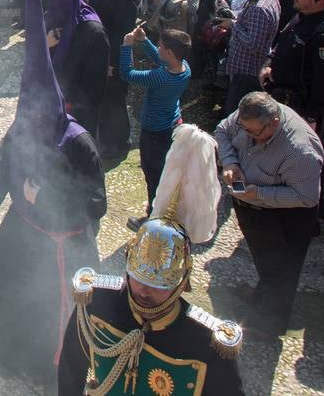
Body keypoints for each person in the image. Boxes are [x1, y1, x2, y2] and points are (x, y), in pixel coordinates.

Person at [0, 0, 105, 387]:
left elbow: (96, 203)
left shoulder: (78, 143)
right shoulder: (22, 127)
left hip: (60, 244)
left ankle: (49, 370)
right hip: (21, 230)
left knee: (50, 312)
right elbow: (6, 162)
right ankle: (12, 356)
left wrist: (47, 197)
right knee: (9, 298)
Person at [59, 124, 243, 395]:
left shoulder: (207, 343)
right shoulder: (95, 302)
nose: (145, 291)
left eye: (159, 283)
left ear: (182, 281)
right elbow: (71, 367)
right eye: (139, 278)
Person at [215, 92, 324, 333]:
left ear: (274, 122)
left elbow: (307, 197)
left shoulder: (300, 151)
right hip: (255, 213)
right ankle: (263, 295)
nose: (247, 137)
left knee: (281, 273)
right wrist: (231, 162)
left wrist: (259, 194)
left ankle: (268, 325)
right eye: (245, 130)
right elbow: (223, 130)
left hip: (284, 219)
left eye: (254, 133)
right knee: (267, 265)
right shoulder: (249, 116)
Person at [119, 25, 191, 225]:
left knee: (153, 174)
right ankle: (164, 208)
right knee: (164, 171)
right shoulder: (184, 67)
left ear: (169, 51)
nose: (158, 49)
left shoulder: (160, 77)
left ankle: (153, 216)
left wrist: (127, 46)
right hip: (171, 125)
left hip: (154, 133)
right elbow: (161, 60)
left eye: (160, 46)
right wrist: (144, 42)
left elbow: (128, 74)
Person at [261, 0, 324, 128]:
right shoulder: (301, 15)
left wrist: (308, 116)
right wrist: (268, 64)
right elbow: (281, 44)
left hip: (299, 113)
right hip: (280, 100)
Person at [89, 0, 138, 161]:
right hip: (101, 55)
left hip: (113, 59)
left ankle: (118, 144)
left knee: (114, 102)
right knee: (105, 101)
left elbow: (121, 33)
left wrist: (113, 63)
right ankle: (107, 139)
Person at [218, 0, 282, 115]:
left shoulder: (259, 8)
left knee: (238, 113)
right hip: (246, 70)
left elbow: (253, 44)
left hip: (246, 71)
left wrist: (232, 26)